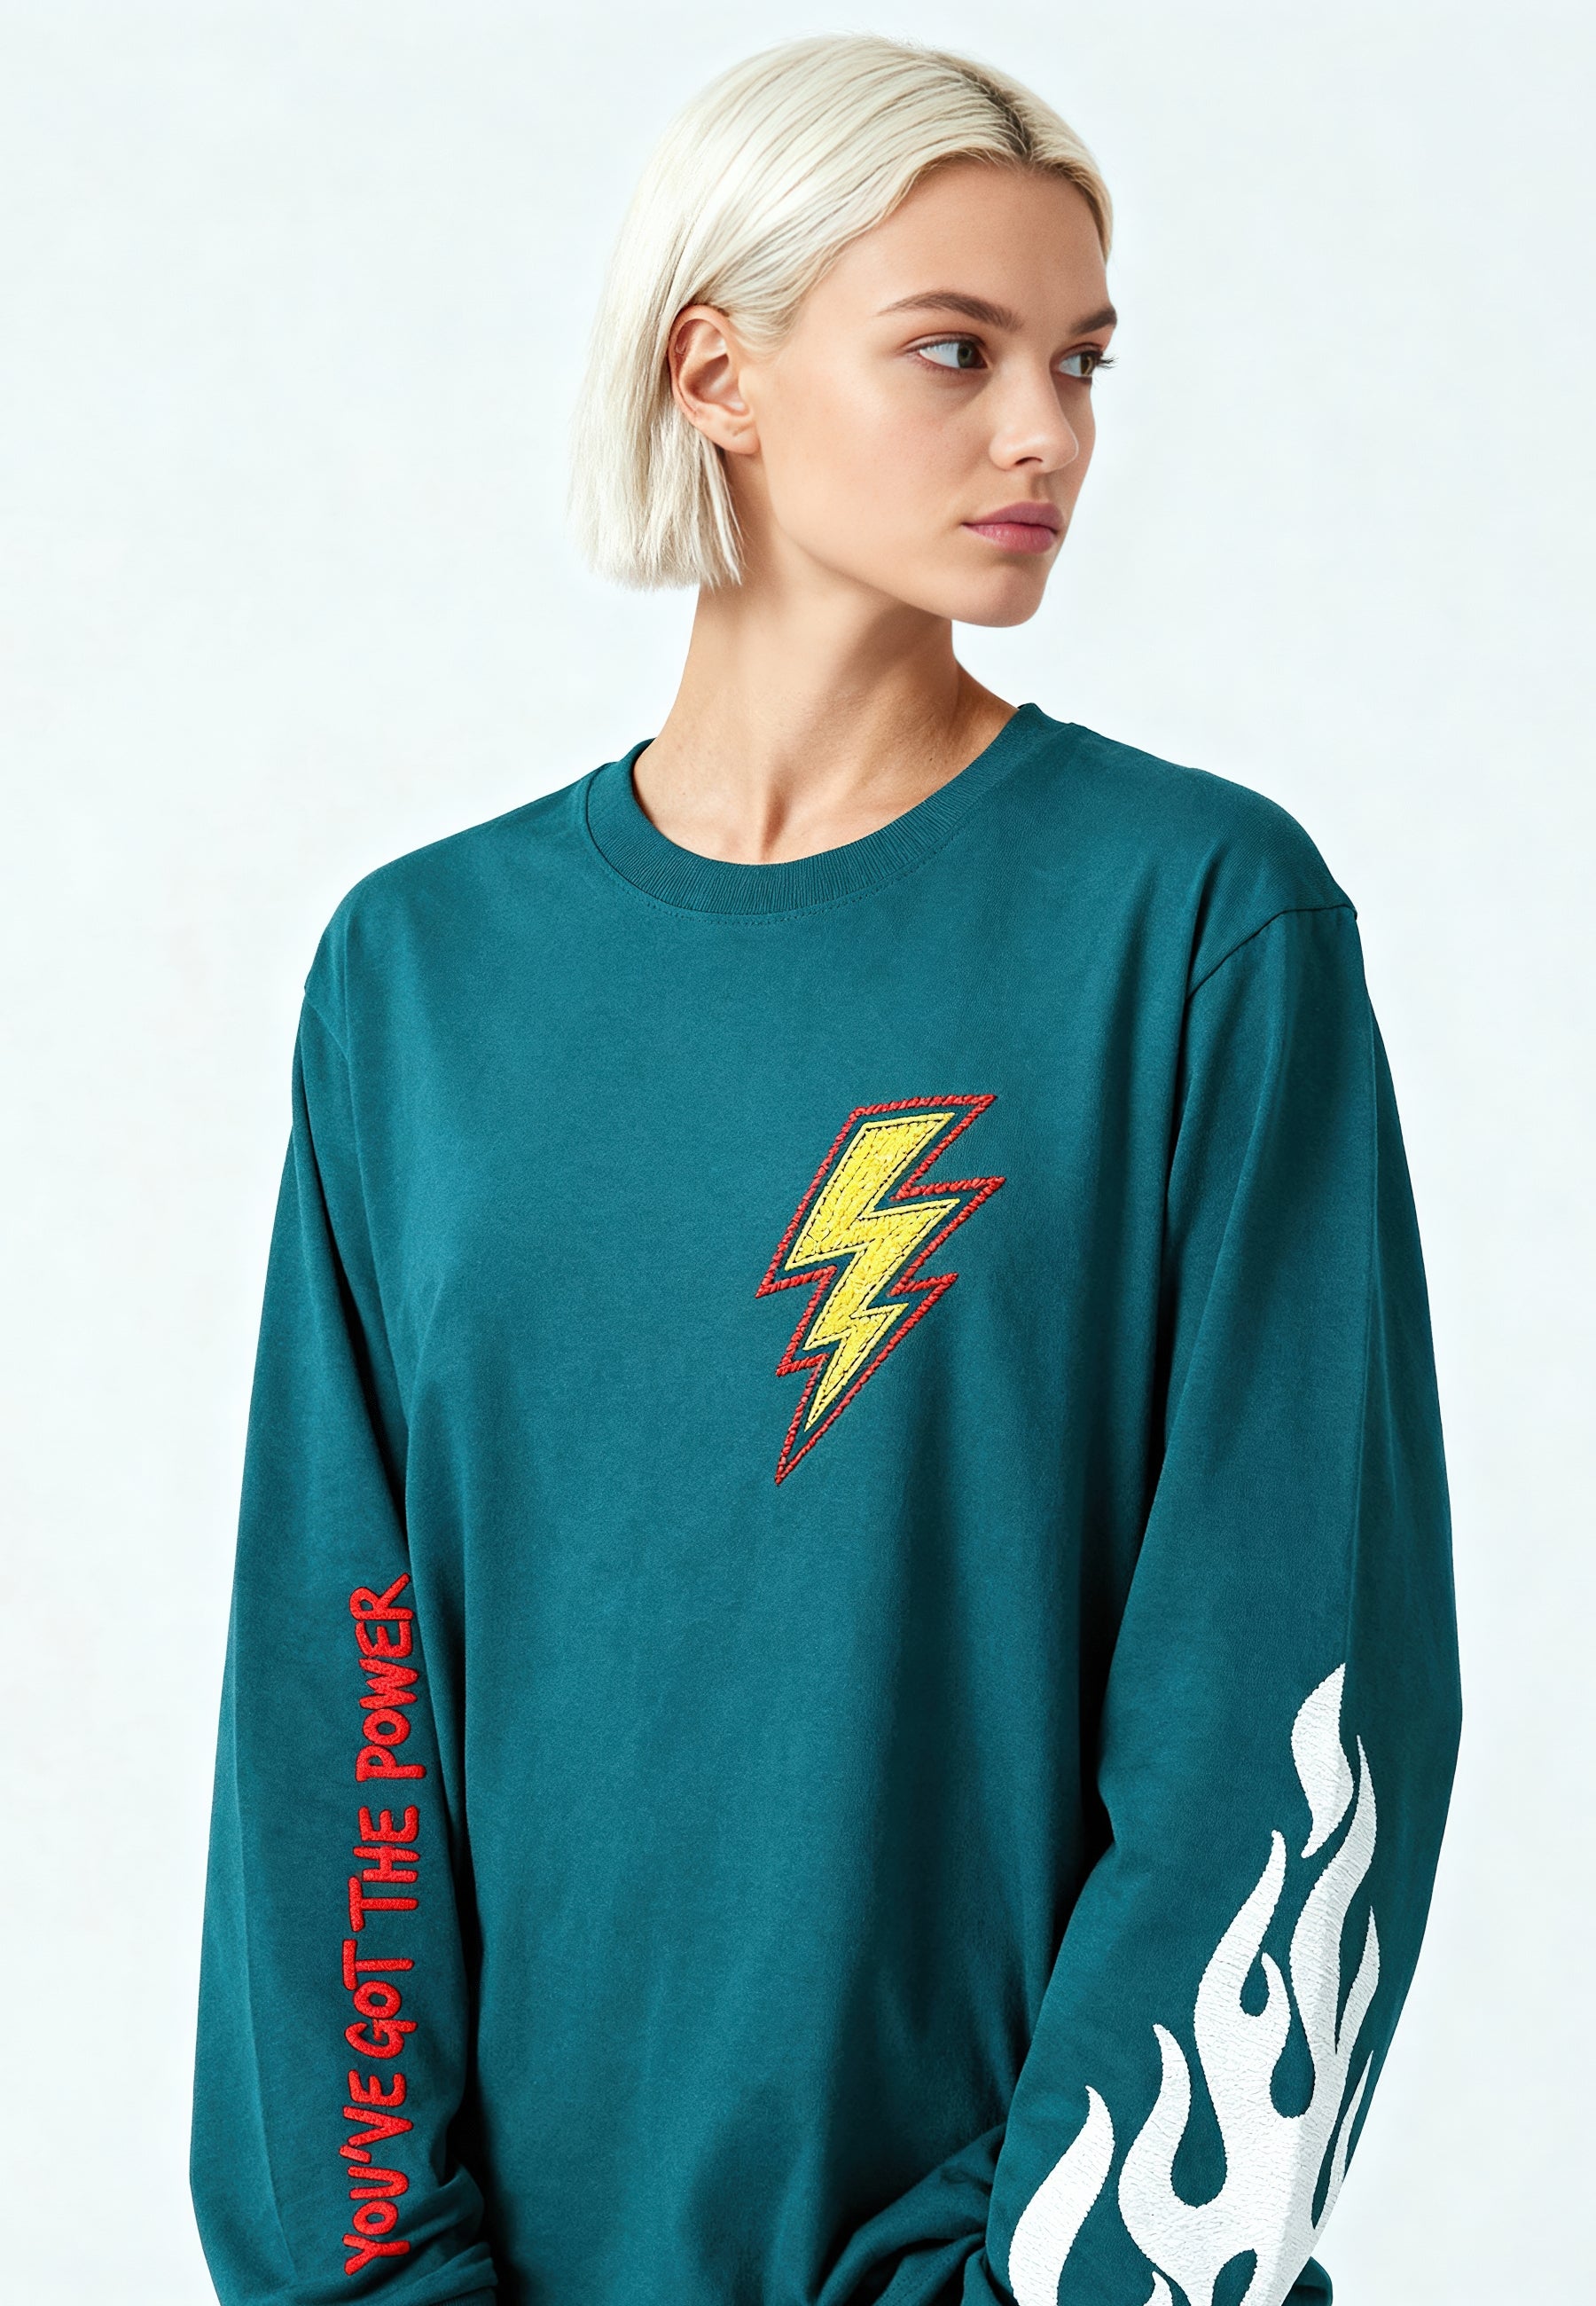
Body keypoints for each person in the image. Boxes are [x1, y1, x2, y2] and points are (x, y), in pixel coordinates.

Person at [190, 34, 1462, 2306]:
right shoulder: (424, 982)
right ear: (720, 374)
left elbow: (1294, 1709)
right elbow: (337, 1718)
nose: (1047, 432)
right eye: (957, 351)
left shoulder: (1194, 932)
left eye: (1081, 360)